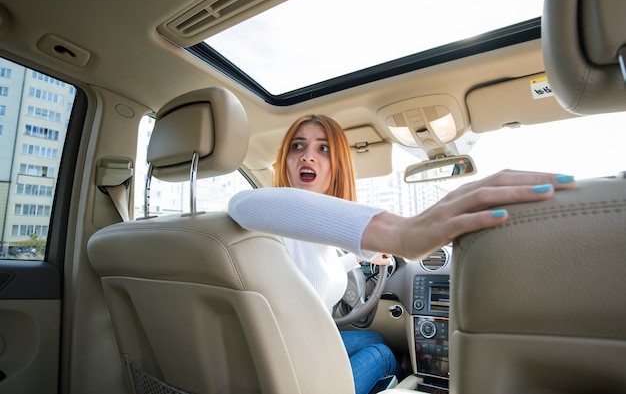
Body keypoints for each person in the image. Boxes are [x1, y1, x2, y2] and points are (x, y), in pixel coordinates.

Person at [228, 114, 576, 393]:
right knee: (384, 353)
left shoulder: (314, 237)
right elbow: (243, 203)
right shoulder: (271, 218)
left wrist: (359, 258)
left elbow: (313, 271)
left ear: (339, 166)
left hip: (294, 350)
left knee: (375, 336)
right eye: (298, 146)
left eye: (323, 149)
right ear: (286, 160)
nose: (307, 155)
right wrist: (403, 233)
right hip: (295, 375)